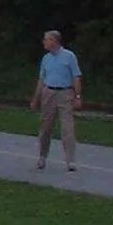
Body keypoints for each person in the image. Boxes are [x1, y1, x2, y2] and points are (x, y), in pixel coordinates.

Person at [31, 30, 83, 172]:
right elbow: (41, 79)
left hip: (65, 93)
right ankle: (42, 156)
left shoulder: (69, 56)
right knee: (46, 127)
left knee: (67, 127)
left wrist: (78, 96)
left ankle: (70, 160)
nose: (44, 42)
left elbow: (76, 76)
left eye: (47, 39)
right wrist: (36, 98)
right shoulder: (46, 58)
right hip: (49, 92)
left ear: (54, 41)